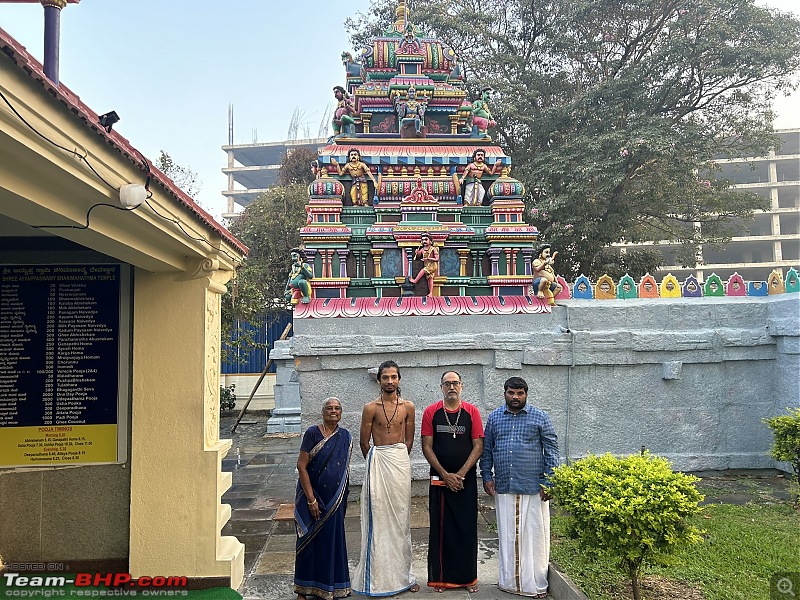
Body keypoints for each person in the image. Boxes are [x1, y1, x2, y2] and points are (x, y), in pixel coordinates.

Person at [481, 377, 559, 598]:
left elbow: (552, 451)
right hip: (504, 485)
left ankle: (535, 584)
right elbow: (487, 451)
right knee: (507, 535)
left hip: (533, 486)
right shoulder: (495, 418)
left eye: (520, 393)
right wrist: (486, 475)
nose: (515, 397)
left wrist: (550, 481)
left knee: (534, 537)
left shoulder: (540, 417)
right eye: (511, 393)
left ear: (526, 394)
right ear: (504, 393)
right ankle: (508, 582)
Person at [352, 360, 419, 596]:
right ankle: (377, 578)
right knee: (378, 518)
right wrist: (376, 462)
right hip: (378, 462)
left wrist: (398, 458)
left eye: (394, 377)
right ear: (379, 380)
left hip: (399, 462)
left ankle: (402, 575)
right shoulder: (370, 408)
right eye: (385, 377)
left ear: (399, 379)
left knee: (402, 520)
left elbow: (409, 440)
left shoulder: (408, 407)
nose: (390, 381)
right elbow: (363, 442)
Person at [421, 371, 484, 593]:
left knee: (466, 528)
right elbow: (427, 446)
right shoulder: (431, 412)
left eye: (455, 383)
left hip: (465, 481)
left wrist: (461, 474)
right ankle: (441, 579)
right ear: (441, 387)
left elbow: (478, 446)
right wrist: (446, 475)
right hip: (440, 480)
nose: (451, 387)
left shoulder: (472, 412)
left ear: (461, 386)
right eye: (447, 384)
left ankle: (468, 579)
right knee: (441, 529)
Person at [293, 397, 353, 600]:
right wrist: (311, 500)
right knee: (308, 542)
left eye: (337, 408)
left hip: (334, 501)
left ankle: (331, 587)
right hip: (313, 497)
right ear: (323, 411)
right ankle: (303, 589)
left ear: (341, 413)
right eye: (329, 408)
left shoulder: (345, 436)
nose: (333, 411)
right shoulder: (312, 433)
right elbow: (302, 466)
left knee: (331, 542)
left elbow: (344, 470)